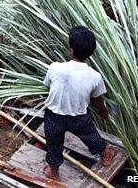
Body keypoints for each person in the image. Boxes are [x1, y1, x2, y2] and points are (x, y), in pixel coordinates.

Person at [42, 26, 115, 181]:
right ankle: (105, 154)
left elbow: (47, 85)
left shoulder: (55, 67)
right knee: (91, 136)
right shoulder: (95, 77)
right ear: (91, 52)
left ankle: (53, 172)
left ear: (71, 50)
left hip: (53, 117)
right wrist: (103, 113)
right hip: (79, 118)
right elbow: (98, 101)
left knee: (53, 145)